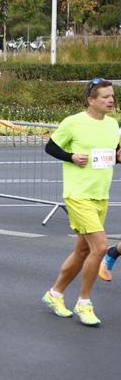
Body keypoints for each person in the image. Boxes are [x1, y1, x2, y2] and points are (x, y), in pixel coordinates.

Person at [42, 78, 119, 327]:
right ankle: (84, 302)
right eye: (105, 96)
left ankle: (54, 294)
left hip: (100, 194)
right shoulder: (73, 123)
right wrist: (71, 156)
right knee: (99, 247)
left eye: (112, 96)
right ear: (91, 100)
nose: (111, 100)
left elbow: (111, 156)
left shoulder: (113, 125)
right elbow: (50, 147)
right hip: (78, 194)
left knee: (82, 250)